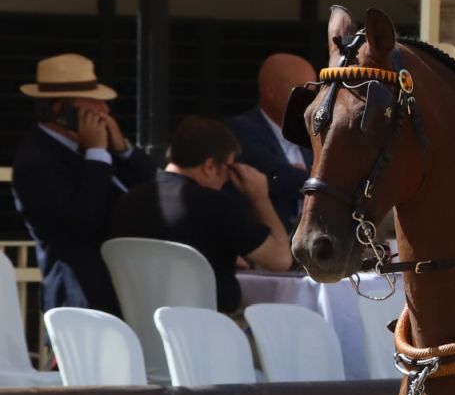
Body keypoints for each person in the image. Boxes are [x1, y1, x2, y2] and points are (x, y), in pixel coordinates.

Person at [10, 53, 158, 314]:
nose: (105, 110)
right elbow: (82, 221)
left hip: (125, 291)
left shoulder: (95, 151)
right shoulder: (36, 160)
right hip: (82, 300)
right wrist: (97, 154)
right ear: (60, 110)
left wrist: (122, 149)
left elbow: (154, 187)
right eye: (93, 102)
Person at [109, 116, 293, 315]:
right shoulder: (216, 206)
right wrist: (260, 198)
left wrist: (223, 252)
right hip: (206, 329)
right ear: (210, 166)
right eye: (229, 168)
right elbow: (281, 260)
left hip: (137, 325)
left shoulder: (128, 201)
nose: (228, 179)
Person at [227, 53, 317, 232]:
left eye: (314, 91)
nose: (312, 99)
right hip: (271, 245)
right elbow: (276, 177)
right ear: (270, 91)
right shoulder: (241, 130)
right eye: (303, 90)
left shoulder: (311, 133)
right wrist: (310, 178)